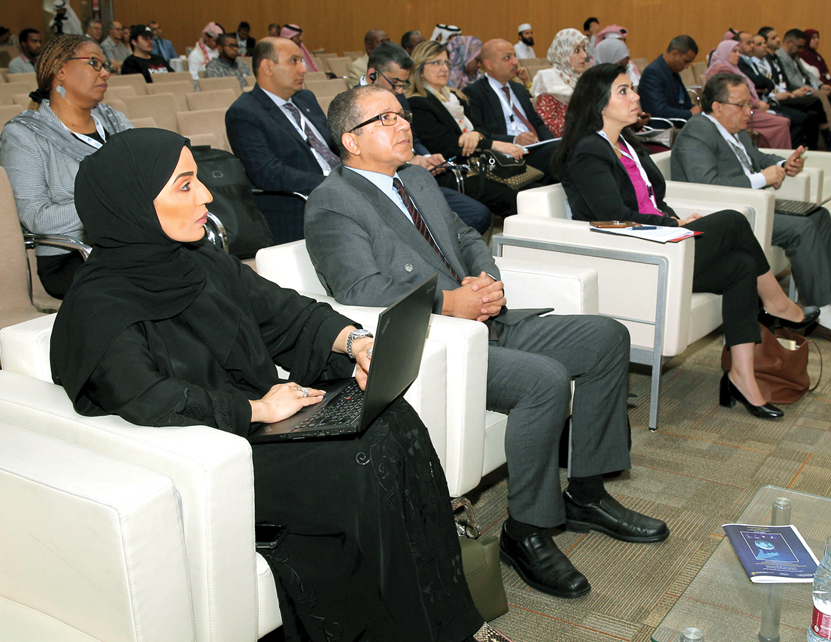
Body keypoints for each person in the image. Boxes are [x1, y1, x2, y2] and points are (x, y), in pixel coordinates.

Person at [50, 126, 509, 642]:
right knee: (364, 460)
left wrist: (355, 342)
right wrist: (256, 410)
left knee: (393, 419)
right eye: (185, 185)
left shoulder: (199, 261)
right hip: (214, 459)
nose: (206, 196)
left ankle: (450, 622)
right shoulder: (99, 305)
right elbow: (147, 398)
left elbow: (287, 313)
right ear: (132, 203)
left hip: (259, 431)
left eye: (199, 180)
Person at [307, 83, 669, 600]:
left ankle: (587, 494)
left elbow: (465, 235)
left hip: (488, 320)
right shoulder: (333, 203)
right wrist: (449, 303)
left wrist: (487, 282)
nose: (403, 123)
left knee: (607, 337)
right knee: (544, 380)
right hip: (438, 344)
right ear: (351, 140)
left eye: (402, 114)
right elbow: (359, 291)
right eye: (385, 119)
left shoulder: (415, 178)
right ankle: (528, 530)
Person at [555, 62, 819, 415]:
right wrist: (673, 223)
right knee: (734, 221)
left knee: (741, 265)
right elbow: (615, 216)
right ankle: (779, 305)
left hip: (662, 243)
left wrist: (675, 219)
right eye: (623, 91)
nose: (635, 97)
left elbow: (653, 200)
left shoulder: (627, 144)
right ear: (598, 102)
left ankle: (742, 375)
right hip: (634, 256)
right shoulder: (589, 150)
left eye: (632, 88)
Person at [670, 73, 831, 344]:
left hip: (754, 206)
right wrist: (763, 178)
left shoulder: (734, 129)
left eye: (749, 104)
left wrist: (783, 164)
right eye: (741, 105)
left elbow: (757, 158)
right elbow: (706, 183)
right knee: (802, 228)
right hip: (728, 215)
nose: (748, 112)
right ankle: (821, 314)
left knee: (818, 215)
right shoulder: (697, 131)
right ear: (717, 107)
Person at [0, 35, 131, 299]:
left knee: (200, 265)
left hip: (130, 242)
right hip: (72, 256)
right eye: (94, 63)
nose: (105, 72)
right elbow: (35, 216)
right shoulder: (24, 134)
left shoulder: (114, 120)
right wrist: (109, 203)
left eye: (105, 65)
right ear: (60, 70)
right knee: (155, 281)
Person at [363, 41, 492, 234]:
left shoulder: (399, 97)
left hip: (413, 179)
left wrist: (426, 157)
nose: (400, 90)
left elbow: (415, 140)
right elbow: (364, 157)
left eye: (403, 84)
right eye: (395, 83)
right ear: (372, 75)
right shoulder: (353, 104)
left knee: (478, 214)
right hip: (383, 185)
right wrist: (407, 162)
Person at [225, 37, 339, 244]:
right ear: (267, 67)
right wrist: (333, 183)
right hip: (299, 204)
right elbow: (268, 173)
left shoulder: (305, 98)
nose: (303, 69)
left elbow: (332, 146)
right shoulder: (244, 113)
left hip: (338, 189)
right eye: (294, 61)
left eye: (302, 61)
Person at [406, 41, 523, 219]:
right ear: (420, 69)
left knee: (531, 190)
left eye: (446, 63)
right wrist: (492, 144)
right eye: (436, 63)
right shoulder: (417, 103)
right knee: (516, 198)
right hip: (456, 172)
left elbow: (483, 128)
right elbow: (447, 147)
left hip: (480, 164)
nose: (444, 68)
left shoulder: (456, 97)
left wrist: (475, 135)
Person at [464, 39, 557, 178]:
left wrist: (553, 143)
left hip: (535, 149)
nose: (515, 62)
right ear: (489, 64)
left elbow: (538, 124)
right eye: (507, 58)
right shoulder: (475, 93)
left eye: (514, 56)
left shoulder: (518, 89)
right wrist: (514, 140)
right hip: (507, 155)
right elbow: (480, 133)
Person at [737, 33, 825, 148]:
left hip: (771, 97)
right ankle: (790, 151)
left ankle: (814, 148)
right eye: (755, 44)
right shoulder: (741, 63)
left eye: (762, 43)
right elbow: (761, 82)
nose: (761, 46)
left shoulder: (761, 61)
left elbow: (770, 82)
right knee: (804, 112)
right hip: (764, 101)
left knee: (812, 113)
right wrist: (776, 93)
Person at [705, 39, 792, 148]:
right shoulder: (723, 70)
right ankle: (778, 155)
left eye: (739, 51)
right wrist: (756, 103)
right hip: (735, 110)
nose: (738, 54)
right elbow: (733, 97)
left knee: (784, 119)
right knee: (782, 123)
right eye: (734, 51)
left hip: (744, 107)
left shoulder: (732, 68)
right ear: (724, 52)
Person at [530, 28, 590, 136]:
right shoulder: (549, 80)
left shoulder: (581, 79)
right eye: (577, 50)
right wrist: (586, 126)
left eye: (584, 49)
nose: (584, 55)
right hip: (561, 143)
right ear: (563, 53)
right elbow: (546, 125)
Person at [638, 35, 701, 121]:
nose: (687, 66)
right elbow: (659, 111)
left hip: (678, 123)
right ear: (675, 54)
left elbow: (685, 105)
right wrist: (690, 113)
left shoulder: (672, 71)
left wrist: (699, 111)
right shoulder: (653, 73)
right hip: (664, 126)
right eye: (686, 61)